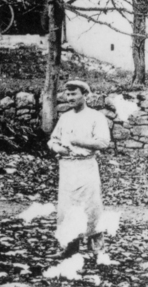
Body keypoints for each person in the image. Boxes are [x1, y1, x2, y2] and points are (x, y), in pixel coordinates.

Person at [48, 80, 111, 260]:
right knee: (68, 209)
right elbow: (53, 139)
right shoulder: (65, 117)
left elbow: (103, 142)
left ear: (85, 95)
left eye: (74, 94)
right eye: (68, 94)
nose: (70, 98)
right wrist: (56, 148)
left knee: (91, 207)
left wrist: (76, 140)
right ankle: (70, 248)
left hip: (85, 166)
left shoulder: (95, 117)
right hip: (67, 167)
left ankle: (97, 250)